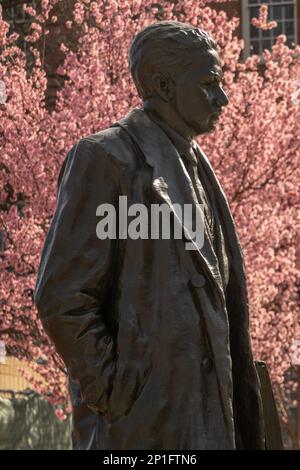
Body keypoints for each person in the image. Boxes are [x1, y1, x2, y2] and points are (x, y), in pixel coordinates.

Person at [34, 20, 265, 450]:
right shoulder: (106, 159)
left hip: (207, 423)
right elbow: (62, 296)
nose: (223, 98)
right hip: (144, 428)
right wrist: (119, 391)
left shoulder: (197, 166)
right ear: (164, 85)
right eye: (208, 84)